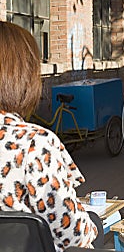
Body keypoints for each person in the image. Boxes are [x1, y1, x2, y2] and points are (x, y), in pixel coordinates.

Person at [0, 21, 100, 251]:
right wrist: (90, 227)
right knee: (94, 225)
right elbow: (72, 234)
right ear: (21, 77)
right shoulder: (34, 144)